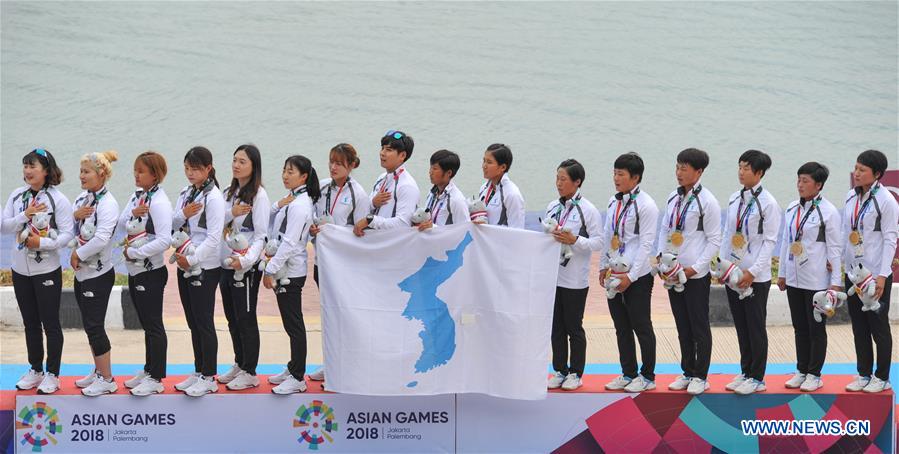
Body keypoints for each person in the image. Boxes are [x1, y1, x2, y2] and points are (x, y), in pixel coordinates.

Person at [3, 148, 73, 394]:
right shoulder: (16, 196)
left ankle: (53, 374)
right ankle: (36, 369)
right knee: (30, 322)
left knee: (50, 323)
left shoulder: (58, 199)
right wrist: (25, 214)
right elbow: (3, 226)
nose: (27, 171)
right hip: (20, 269)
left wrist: (41, 243)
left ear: (46, 170)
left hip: (47, 271)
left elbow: (66, 235)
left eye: (32, 166)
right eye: (25, 166)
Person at [656, 148, 721, 395]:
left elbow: (714, 239)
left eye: (684, 168)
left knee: (698, 325)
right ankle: (687, 371)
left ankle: (700, 376)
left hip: (694, 274)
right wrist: (663, 260)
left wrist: (695, 268)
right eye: (677, 167)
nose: (679, 173)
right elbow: (665, 229)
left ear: (699, 171)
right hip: (673, 271)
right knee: (682, 323)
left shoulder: (708, 202)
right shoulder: (673, 197)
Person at [776, 162, 842, 393]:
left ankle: (815, 374)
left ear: (819, 184)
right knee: (799, 327)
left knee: (816, 328)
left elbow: (834, 248)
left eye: (805, 181)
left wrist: (835, 283)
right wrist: (782, 273)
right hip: (794, 278)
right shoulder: (792, 208)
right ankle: (802, 370)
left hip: (816, 280)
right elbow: (787, 242)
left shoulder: (829, 212)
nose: (800, 185)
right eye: (799, 180)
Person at [307, 143, 370, 383]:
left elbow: (360, 232)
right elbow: (312, 214)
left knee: (344, 318)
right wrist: (314, 227)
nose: (333, 167)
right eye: (331, 161)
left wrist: (335, 232)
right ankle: (331, 363)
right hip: (321, 264)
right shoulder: (322, 187)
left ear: (351, 166)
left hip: (344, 268)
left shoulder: (359, 195)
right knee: (328, 316)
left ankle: (348, 369)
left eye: (339, 163)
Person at [720, 150, 781, 395]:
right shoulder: (735, 198)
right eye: (740, 166)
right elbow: (728, 233)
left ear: (759, 173)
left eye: (746, 168)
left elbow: (770, 241)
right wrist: (723, 266)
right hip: (734, 272)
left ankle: (757, 377)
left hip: (755, 276)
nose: (741, 172)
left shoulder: (769, 203)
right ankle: (745, 371)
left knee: (755, 326)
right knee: (741, 325)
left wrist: (753, 272)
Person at [599, 152, 659, 393]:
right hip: (615, 271)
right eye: (614, 173)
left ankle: (647, 376)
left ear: (635, 177)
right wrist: (603, 265)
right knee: (621, 326)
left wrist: (631, 277)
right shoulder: (614, 202)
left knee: (641, 325)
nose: (616, 178)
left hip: (638, 276)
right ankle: (628, 372)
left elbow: (646, 244)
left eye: (621, 174)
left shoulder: (647, 205)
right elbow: (607, 236)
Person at [171, 146, 225, 397]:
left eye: (195, 169)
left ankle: (209, 376)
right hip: (185, 260)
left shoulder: (213, 197)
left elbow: (214, 239)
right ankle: (198, 369)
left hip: (204, 265)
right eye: (187, 168)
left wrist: (191, 260)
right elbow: (171, 222)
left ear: (208, 169)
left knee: (204, 322)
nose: (190, 173)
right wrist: (183, 213)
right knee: (193, 322)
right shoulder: (186, 193)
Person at [842, 150, 897, 393]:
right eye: (855, 168)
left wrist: (883, 275)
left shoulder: (885, 200)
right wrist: (841, 266)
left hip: (875, 275)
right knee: (859, 327)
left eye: (862, 170)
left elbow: (890, 238)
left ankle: (882, 376)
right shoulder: (850, 198)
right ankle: (863, 373)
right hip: (853, 274)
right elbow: (847, 234)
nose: (856, 173)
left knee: (878, 327)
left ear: (876, 174)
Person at [545, 159, 602, 391]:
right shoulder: (552, 207)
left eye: (564, 179)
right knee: (555, 327)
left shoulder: (587, 209)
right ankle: (559, 369)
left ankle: (576, 372)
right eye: (557, 178)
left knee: (573, 328)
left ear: (577, 182)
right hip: (552, 277)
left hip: (575, 280)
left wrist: (574, 240)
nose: (559, 183)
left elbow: (599, 242)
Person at [119, 151, 173, 396]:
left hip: (151, 272)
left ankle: (157, 377)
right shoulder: (137, 196)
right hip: (136, 271)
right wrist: (133, 213)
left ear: (155, 175)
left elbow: (164, 241)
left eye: (141, 171)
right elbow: (121, 222)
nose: (136, 175)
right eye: (135, 170)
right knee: (146, 324)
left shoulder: (159, 202)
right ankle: (149, 368)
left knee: (153, 325)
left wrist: (134, 253)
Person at [217, 145, 270, 391]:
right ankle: (239, 362)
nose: (236, 165)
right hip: (226, 264)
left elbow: (261, 236)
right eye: (234, 160)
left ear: (253, 166)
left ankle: (250, 370)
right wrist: (231, 213)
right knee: (232, 318)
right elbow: (217, 224)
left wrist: (246, 261)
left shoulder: (259, 195)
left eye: (242, 161)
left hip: (245, 268)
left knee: (246, 318)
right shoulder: (228, 192)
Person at [265, 155, 319, 394]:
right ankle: (293, 366)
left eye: (291, 172)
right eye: (284, 170)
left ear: (304, 176)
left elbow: (289, 243)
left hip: (291, 272)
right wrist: (277, 205)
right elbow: (270, 224)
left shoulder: (300, 205)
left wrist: (270, 269)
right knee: (290, 323)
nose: (285, 175)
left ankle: (298, 376)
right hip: (284, 268)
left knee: (294, 324)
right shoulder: (293, 200)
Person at [70, 150, 120, 397]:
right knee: (90, 326)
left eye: (86, 172)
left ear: (101, 174)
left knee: (95, 325)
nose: (81, 176)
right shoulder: (82, 199)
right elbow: (70, 228)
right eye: (81, 171)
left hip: (98, 274)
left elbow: (101, 238)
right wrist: (73, 215)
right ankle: (99, 370)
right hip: (82, 275)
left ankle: (108, 379)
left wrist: (78, 254)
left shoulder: (109, 203)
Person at [353, 130, 419, 235]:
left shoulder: (407, 185)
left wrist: (371, 220)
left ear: (402, 155)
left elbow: (403, 224)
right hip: (375, 243)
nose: (382, 153)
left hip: (392, 247)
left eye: (388, 150)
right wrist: (373, 203)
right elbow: (366, 208)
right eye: (382, 148)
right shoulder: (382, 178)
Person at [416, 149, 469, 231]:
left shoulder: (457, 200)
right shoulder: (432, 193)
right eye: (430, 167)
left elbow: (464, 231)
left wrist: (433, 228)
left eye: (435, 168)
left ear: (449, 173)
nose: (430, 172)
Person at [475, 143, 525, 228]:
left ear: (503, 167)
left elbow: (517, 231)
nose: (484, 166)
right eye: (484, 161)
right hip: (484, 240)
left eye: (489, 162)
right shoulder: (483, 188)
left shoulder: (512, 194)